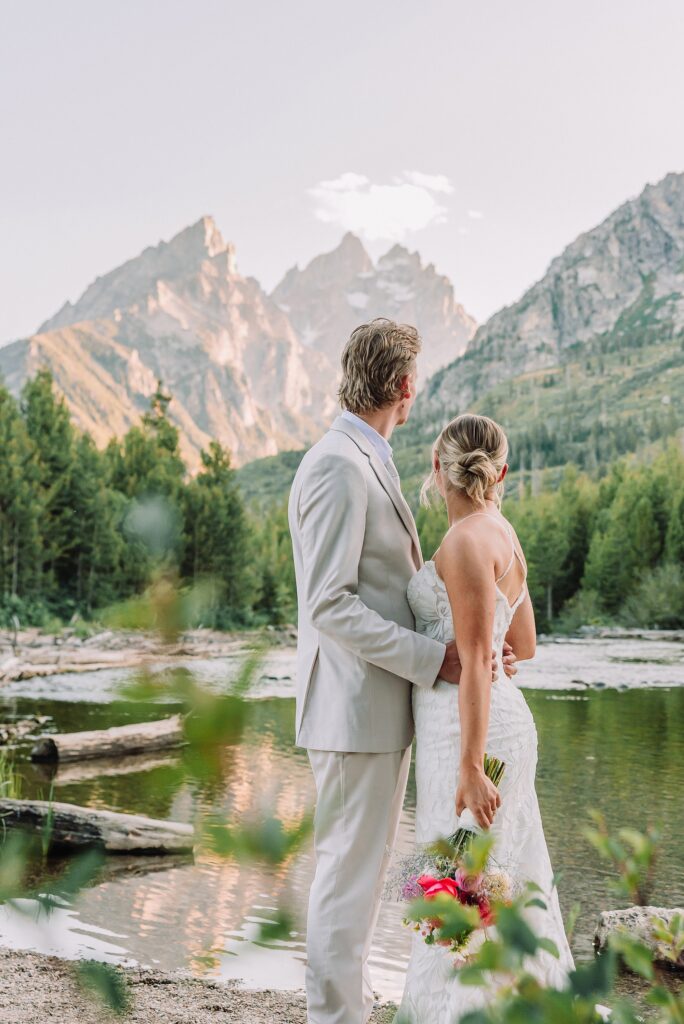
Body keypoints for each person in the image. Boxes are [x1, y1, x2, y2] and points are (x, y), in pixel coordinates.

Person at [288, 319, 516, 1024]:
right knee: (345, 884)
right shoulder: (336, 463)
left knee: (358, 880)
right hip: (353, 711)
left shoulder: (370, 455)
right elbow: (328, 602)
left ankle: (349, 1009)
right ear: (405, 387)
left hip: (379, 710)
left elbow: (396, 586)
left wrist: (478, 636)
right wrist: (434, 656)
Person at [396, 413, 575, 1021]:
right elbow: (521, 645)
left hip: (471, 736)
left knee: (460, 892)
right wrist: (489, 648)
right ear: (502, 472)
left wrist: (472, 767)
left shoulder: (467, 540)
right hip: (493, 724)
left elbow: (477, 659)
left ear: (436, 472)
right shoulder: (503, 534)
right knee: (502, 881)